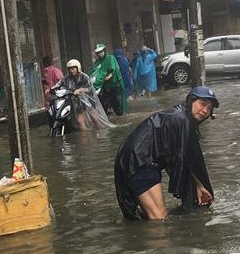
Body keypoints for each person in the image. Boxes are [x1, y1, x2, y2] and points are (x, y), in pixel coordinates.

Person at [114, 86, 219, 221]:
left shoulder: (180, 118)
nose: (205, 110)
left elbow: (177, 160)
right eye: (202, 104)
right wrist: (198, 186)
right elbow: (184, 160)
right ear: (191, 101)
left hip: (136, 158)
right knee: (159, 219)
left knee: (148, 217)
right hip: (140, 161)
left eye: (209, 108)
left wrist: (198, 186)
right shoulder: (181, 120)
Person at [52, 59, 113, 131]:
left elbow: (89, 88)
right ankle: (86, 137)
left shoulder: (84, 76)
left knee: (95, 119)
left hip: (89, 101)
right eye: (69, 69)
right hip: (77, 102)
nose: (71, 70)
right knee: (80, 122)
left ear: (78, 68)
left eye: (73, 68)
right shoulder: (67, 78)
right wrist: (52, 88)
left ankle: (102, 132)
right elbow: (59, 84)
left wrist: (80, 90)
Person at [90, 43, 125, 116]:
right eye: (98, 53)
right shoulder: (97, 62)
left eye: (101, 52)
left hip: (114, 84)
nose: (99, 54)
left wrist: (108, 77)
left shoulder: (110, 58)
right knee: (104, 105)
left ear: (104, 51)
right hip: (103, 87)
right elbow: (94, 72)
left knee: (117, 104)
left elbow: (113, 69)